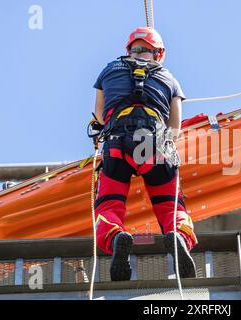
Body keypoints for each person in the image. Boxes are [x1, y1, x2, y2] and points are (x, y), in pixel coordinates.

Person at [91, 27, 197, 281]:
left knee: (109, 203)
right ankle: (178, 237)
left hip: (117, 143)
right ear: (158, 53)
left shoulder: (109, 70)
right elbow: (175, 128)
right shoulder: (169, 78)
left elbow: (98, 115)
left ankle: (116, 237)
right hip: (154, 144)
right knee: (170, 205)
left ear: (128, 49)